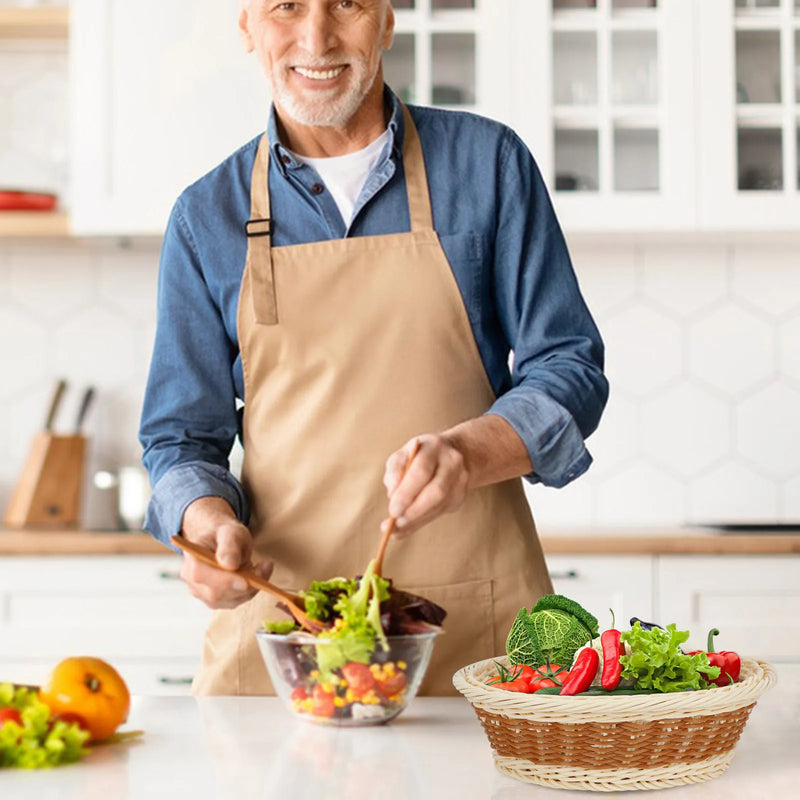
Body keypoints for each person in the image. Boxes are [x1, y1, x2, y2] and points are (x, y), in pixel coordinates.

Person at [139, 0, 608, 696]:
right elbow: (180, 437)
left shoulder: (488, 166)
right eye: (286, 8)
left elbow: (569, 365)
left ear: (387, 21)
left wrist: (468, 453)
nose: (317, 37)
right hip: (288, 640)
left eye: (348, 5)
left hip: (474, 638)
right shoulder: (205, 216)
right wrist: (206, 524)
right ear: (247, 27)